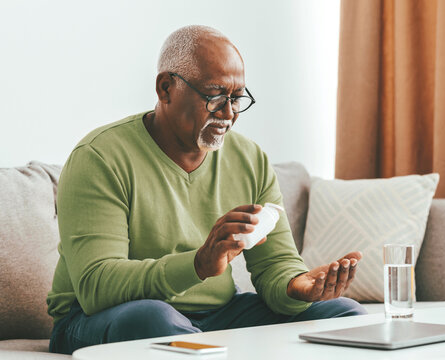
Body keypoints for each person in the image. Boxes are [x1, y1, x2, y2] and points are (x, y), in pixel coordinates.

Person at [46, 25, 367, 355]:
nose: (228, 113)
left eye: (237, 97)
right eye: (214, 96)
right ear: (165, 88)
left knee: (345, 315)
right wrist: (198, 264)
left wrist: (297, 287)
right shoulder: (100, 157)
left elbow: (275, 265)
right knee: (153, 319)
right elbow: (96, 286)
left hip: (216, 316)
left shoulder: (250, 159)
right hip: (97, 318)